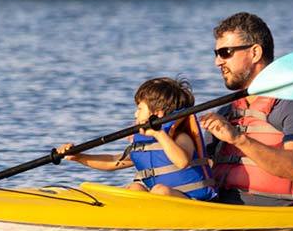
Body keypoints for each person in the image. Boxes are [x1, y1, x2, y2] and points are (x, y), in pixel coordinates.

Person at [200, 12, 293, 206]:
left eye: (225, 52)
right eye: (216, 54)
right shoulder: (227, 112)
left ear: (255, 53)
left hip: (282, 223)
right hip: (226, 211)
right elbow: (199, 170)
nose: (218, 62)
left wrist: (238, 139)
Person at [56, 77, 216, 201]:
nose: (135, 114)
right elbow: (113, 161)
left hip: (192, 202)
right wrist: (80, 157)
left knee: (160, 190)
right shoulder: (144, 143)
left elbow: (182, 162)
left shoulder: (181, 137)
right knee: (135, 188)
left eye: (139, 108)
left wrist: (159, 134)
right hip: (162, 202)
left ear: (158, 114)